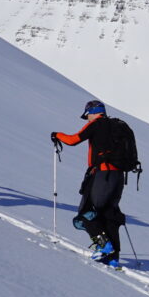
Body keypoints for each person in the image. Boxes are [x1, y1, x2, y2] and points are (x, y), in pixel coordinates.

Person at [52, 99, 128, 268]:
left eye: (87, 115)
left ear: (92, 112)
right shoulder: (117, 126)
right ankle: (113, 257)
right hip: (119, 177)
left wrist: (57, 135)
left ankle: (103, 245)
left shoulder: (96, 124)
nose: (87, 119)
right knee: (109, 213)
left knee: (87, 211)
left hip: (102, 174)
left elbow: (73, 140)